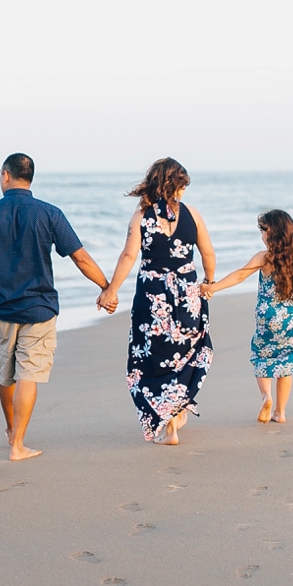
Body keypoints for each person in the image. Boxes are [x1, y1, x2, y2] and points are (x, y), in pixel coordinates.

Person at [0, 153, 113, 462]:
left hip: (2, 309)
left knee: (6, 375)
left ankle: (11, 430)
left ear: (5, 176)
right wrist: (106, 287)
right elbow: (80, 257)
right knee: (28, 375)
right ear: (30, 177)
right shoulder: (49, 213)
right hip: (40, 308)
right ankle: (18, 445)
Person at [98, 158, 216, 445]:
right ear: (175, 185)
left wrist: (111, 290)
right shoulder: (193, 215)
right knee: (186, 350)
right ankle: (178, 408)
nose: (184, 192)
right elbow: (208, 254)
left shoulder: (142, 216)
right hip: (187, 293)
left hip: (153, 295)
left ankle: (168, 421)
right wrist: (208, 284)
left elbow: (128, 256)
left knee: (153, 356)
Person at [200, 209, 293, 424]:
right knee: (286, 364)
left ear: (275, 232)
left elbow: (240, 274)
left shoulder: (265, 258)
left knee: (261, 356)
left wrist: (213, 288)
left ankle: (266, 396)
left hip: (267, 319)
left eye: (264, 230)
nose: (262, 236)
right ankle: (280, 413)